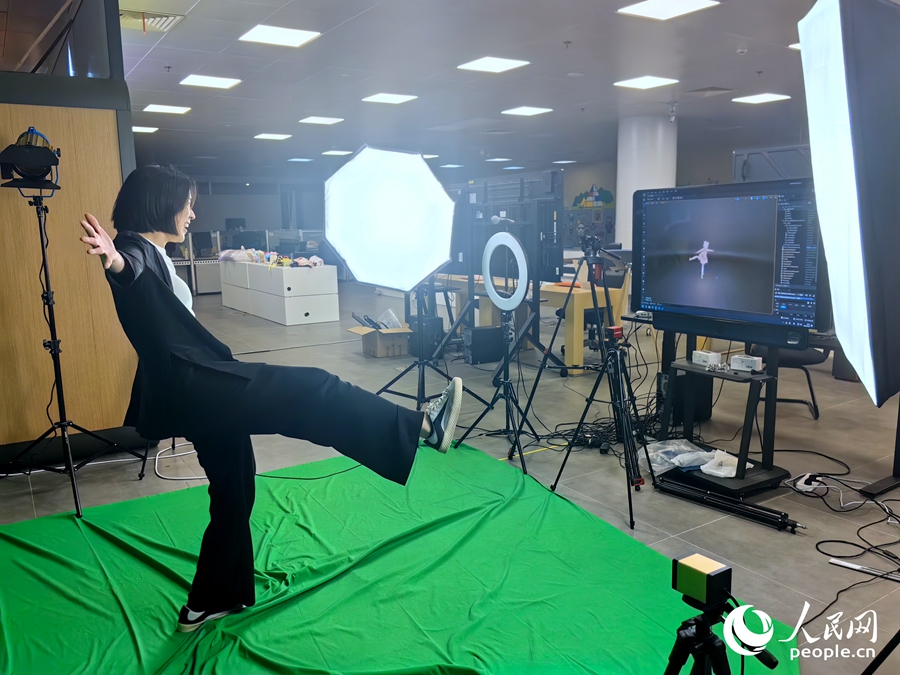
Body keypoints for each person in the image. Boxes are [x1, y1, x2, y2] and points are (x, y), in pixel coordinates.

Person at [79, 165, 463, 632]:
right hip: (200, 388)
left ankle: (210, 601)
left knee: (234, 487)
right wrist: (114, 261)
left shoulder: (154, 250)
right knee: (315, 389)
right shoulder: (134, 249)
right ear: (160, 204)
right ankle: (422, 427)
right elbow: (130, 272)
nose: (192, 214)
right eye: (187, 205)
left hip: (194, 389)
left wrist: (121, 260)